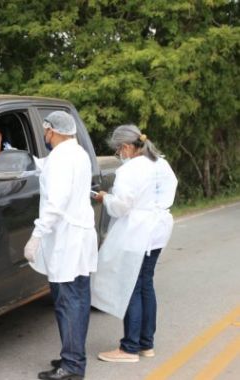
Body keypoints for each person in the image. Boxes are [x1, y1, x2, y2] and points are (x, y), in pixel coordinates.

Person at [91, 124, 178, 363]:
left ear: (128, 146)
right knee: (145, 284)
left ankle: (129, 348)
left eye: (119, 149)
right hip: (158, 230)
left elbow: (122, 206)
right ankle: (146, 344)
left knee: (131, 285)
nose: (120, 153)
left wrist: (106, 197)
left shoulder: (130, 170)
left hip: (138, 231)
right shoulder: (160, 162)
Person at [24, 111, 98, 380]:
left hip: (66, 239)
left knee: (67, 302)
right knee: (78, 299)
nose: (45, 137)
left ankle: (72, 366)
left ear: (51, 131)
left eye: (45, 132)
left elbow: (55, 203)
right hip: (79, 237)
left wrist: (36, 235)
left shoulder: (59, 159)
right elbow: (58, 178)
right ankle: (73, 356)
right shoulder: (76, 153)